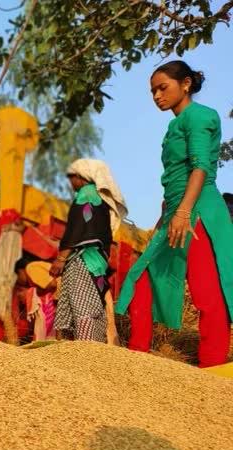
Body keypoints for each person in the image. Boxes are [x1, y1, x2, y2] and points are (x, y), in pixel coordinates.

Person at [115, 61, 233, 368]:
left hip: (200, 212)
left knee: (207, 289)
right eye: (152, 90)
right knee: (141, 275)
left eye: (162, 87)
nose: (156, 96)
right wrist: (163, 220)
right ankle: (137, 354)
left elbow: (200, 168)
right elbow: (173, 180)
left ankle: (213, 365)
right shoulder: (173, 126)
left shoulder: (200, 116)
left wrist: (183, 213)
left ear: (186, 84)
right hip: (176, 213)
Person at [50, 159, 128, 343]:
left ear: (81, 177)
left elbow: (78, 228)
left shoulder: (86, 195)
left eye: (72, 178)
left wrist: (61, 258)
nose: (70, 183)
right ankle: (94, 349)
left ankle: (86, 349)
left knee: (82, 305)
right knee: (95, 304)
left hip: (83, 260)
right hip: (98, 262)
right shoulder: (100, 199)